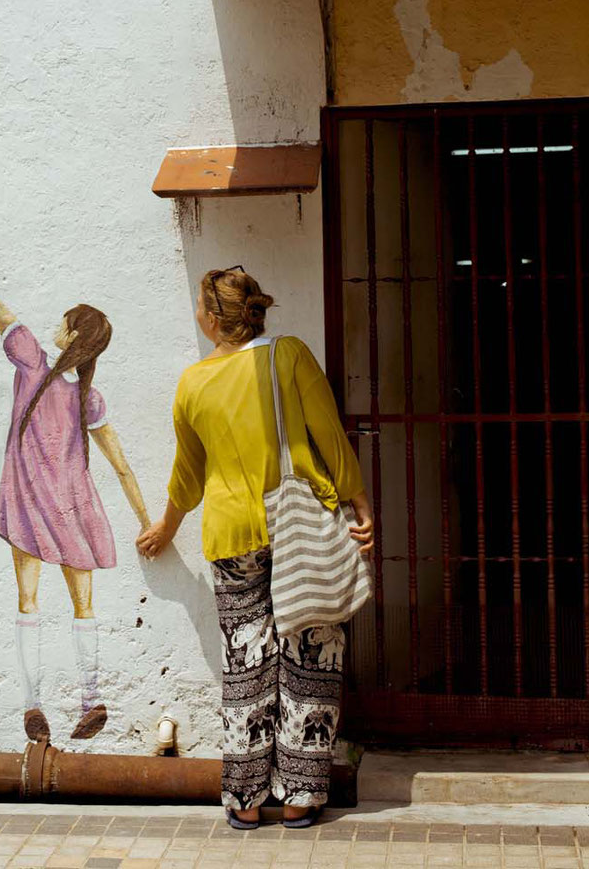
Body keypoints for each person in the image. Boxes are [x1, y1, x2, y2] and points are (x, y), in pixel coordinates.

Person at [137, 267, 374, 830]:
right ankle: (299, 797)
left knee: (246, 666)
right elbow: (327, 433)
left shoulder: (193, 384)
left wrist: (167, 526)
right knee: (309, 656)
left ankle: (244, 800)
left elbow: (188, 474)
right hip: (298, 528)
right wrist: (358, 497)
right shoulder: (289, 356)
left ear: (214, 319)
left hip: (230, 537)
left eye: (200, 304)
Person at [0, 243, 151, 742]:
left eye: (64, 322)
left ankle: (33, 705)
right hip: (75, 511)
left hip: (28, 508)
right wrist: (147, 520)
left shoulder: (34, 365)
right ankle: (91, 697)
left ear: (73, 335)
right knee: (84, 607)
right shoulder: (89, 397)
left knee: (28, 601)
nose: (56, 326)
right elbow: (121, 467)